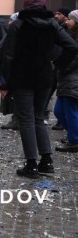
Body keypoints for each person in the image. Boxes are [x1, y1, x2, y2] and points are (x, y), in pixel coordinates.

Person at [0, 0, 78, 178]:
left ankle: (31, 164)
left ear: (26, 2)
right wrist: (57, 64)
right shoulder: (52, 25)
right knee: (39, 118)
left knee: (26, 119)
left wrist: (3, 83)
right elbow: (72, 47)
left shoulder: (18, 25)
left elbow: (7, 56)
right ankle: (47, 161)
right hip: (45, 77)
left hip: (23, 78)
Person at [53, 9, 78, 153]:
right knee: (60, 111)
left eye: (70, 19)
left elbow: (73, 61)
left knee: (70, 111)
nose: (66, 21)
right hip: (67, 80)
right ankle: (73, 136)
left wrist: (59, 65)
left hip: (73, 80)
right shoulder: (71, 36)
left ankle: (74, 140)